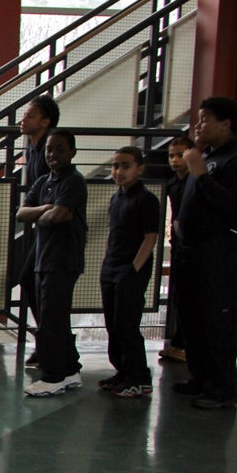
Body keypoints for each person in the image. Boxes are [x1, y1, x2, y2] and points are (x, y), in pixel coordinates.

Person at [173, 96, 237, 409]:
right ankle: (200, 377)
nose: (198, 124)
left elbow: (235, 207)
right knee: (192, 317)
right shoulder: (202, 155)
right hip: (190, 250)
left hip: (220, 254)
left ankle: (222, 388)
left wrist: (202, 176)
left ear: (226, 124)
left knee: (217, 320)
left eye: (205, 119)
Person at [16, 129, 87, 397]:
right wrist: (45, 210)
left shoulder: (73, 181)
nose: (53, 154)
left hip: (63, 258)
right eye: (49, 149)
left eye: (59, 149)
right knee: (48, 312)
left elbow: (57, 216)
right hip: (43, 256)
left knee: (53, 318)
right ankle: (69, 368)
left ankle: (54, 375)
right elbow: (22, 213)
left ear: (72, 152)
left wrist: (47, 213)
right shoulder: (45, 181)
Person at [98, 146, 159, 398]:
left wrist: (133, 269)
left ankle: (139, 377)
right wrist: (107, 262)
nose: (119, 171)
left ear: (139, 169)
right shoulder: (117, 198)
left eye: (126, 166)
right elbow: (114, 233)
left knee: (127, 324)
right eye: (116, 166)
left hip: (130, 271)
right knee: (113, 324)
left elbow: (150, 237)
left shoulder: (146, 199)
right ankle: (122, 372)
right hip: (112, 267)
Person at [17, 95, 59, 367]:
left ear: (45, 122)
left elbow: (52, 202)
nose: (24, 120)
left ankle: (55, 348)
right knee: (29, 282)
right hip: (39, 228)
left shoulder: (51, 149)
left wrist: (37, 209)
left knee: (46, 291)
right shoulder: (32, 149)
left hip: (55, 235)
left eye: (30, 116)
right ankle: (48, 343)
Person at [158, 135, 194, 363]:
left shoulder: (196, 181)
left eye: (180, 155)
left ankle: (186, 345)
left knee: (191, 298)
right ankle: (179, 343)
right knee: (180, 296)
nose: (175, 160)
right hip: (179, 244)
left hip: (194, 246)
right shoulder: (173, 184)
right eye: (171, 155)